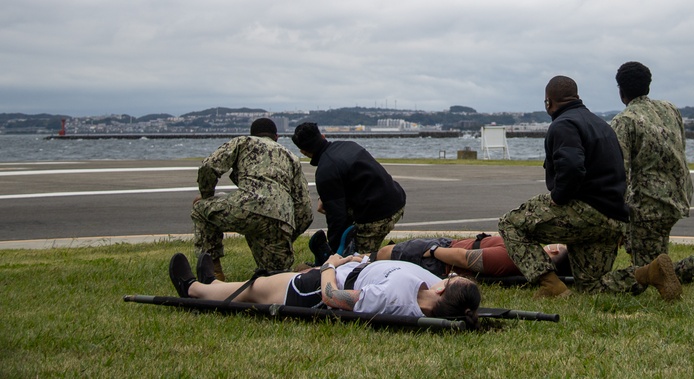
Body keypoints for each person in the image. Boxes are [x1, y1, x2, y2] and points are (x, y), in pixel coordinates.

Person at [498, 75, 682, 301]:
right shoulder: (601, 125)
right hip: (613, 219)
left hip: (586, 213)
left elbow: (573, 167)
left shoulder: (563, 124)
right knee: (592, 286)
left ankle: (550, 284)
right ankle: (650, 273)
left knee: (510, 224)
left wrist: (558, 197)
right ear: (577, 97)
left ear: (548, 102)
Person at [611, 61, 694, 287]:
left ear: (621, 90)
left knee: (652, 274)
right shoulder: (669, 109)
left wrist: (618, 216)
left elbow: (619, 173)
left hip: (648, 203)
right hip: (677, 196)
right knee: (657, 261)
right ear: (648, 86)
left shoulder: (624, 121)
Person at [168, 252, 480, 328]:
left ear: (442, 291)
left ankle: (193, 289)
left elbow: (333, 297)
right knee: (257, 286)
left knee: (258, 289)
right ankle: (215, 285)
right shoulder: (423, 290)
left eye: (451, 279)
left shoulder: (391, 299)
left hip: (314, 291)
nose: (448, 276)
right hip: (350, 272)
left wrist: (329, 265)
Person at [191, 118, 313, 279]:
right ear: (276, 137)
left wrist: (207, 196)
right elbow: (305, 210)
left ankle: (213, 273)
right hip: (281, 218)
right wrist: (286, 234)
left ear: (253, 134)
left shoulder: (243, 142)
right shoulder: (291, 157)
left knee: (200, 209)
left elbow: (209, 166)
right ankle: (301, 278)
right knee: (276, 277)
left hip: (248, 207)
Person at [291, 122, 406, 257]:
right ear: (323, 136)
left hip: (377, 215)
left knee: (357, 261)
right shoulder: (348, 145)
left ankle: (394, 256)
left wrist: (334, 254)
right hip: (397, 199)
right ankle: (387, 252)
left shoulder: (325, 171)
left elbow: (337, 217)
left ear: (303, 151)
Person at [311, 233, 569, 280]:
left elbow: (466, 258)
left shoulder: (516, 258)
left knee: (381, 255)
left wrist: (433, 250)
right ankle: (343, 259)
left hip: (438, 256)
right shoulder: (524, 254)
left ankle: (331, 263)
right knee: (378, 256)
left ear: (554, 250)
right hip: (441, 252)